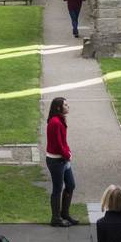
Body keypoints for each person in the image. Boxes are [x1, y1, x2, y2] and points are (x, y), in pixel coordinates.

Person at [46, 97, 78, 227]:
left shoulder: (59, 120)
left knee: (70, 185)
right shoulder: (55, 122)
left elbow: (63, 142)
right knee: (57, 189)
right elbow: (58, 145)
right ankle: (56, 218)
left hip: (62, 159)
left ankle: (64, 213)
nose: (68, 106)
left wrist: (68, 152)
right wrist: (67, 155)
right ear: (58, 108)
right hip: (56, 161)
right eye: (65, 105)